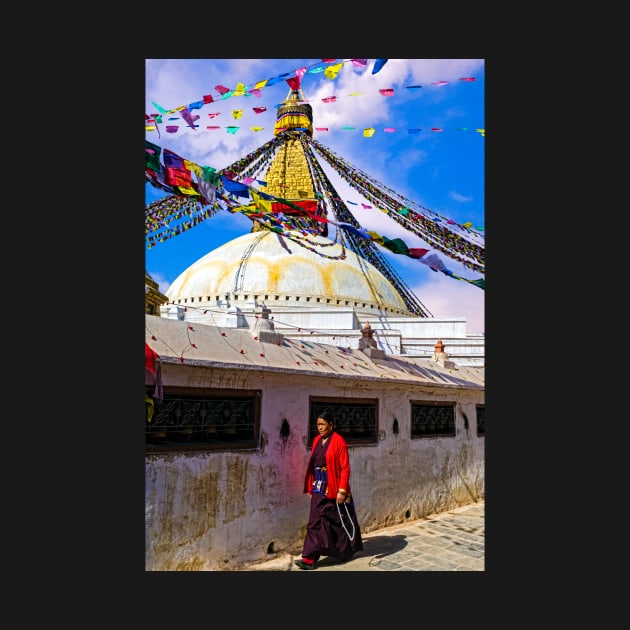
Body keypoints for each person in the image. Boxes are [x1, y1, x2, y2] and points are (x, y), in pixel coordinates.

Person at [294, 411, 363, 570]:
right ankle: (309, 558)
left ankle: (344, 550)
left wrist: (342, 490)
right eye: (318, 424)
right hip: (319, 487)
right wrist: (311, 484)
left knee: (335, 522)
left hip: (333, 488)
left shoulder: (339, 442)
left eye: (323, 424)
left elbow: (345, 468)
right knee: (314, 522)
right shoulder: (317, 440)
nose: (320, 427)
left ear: (331, 425)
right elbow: (314, 465)